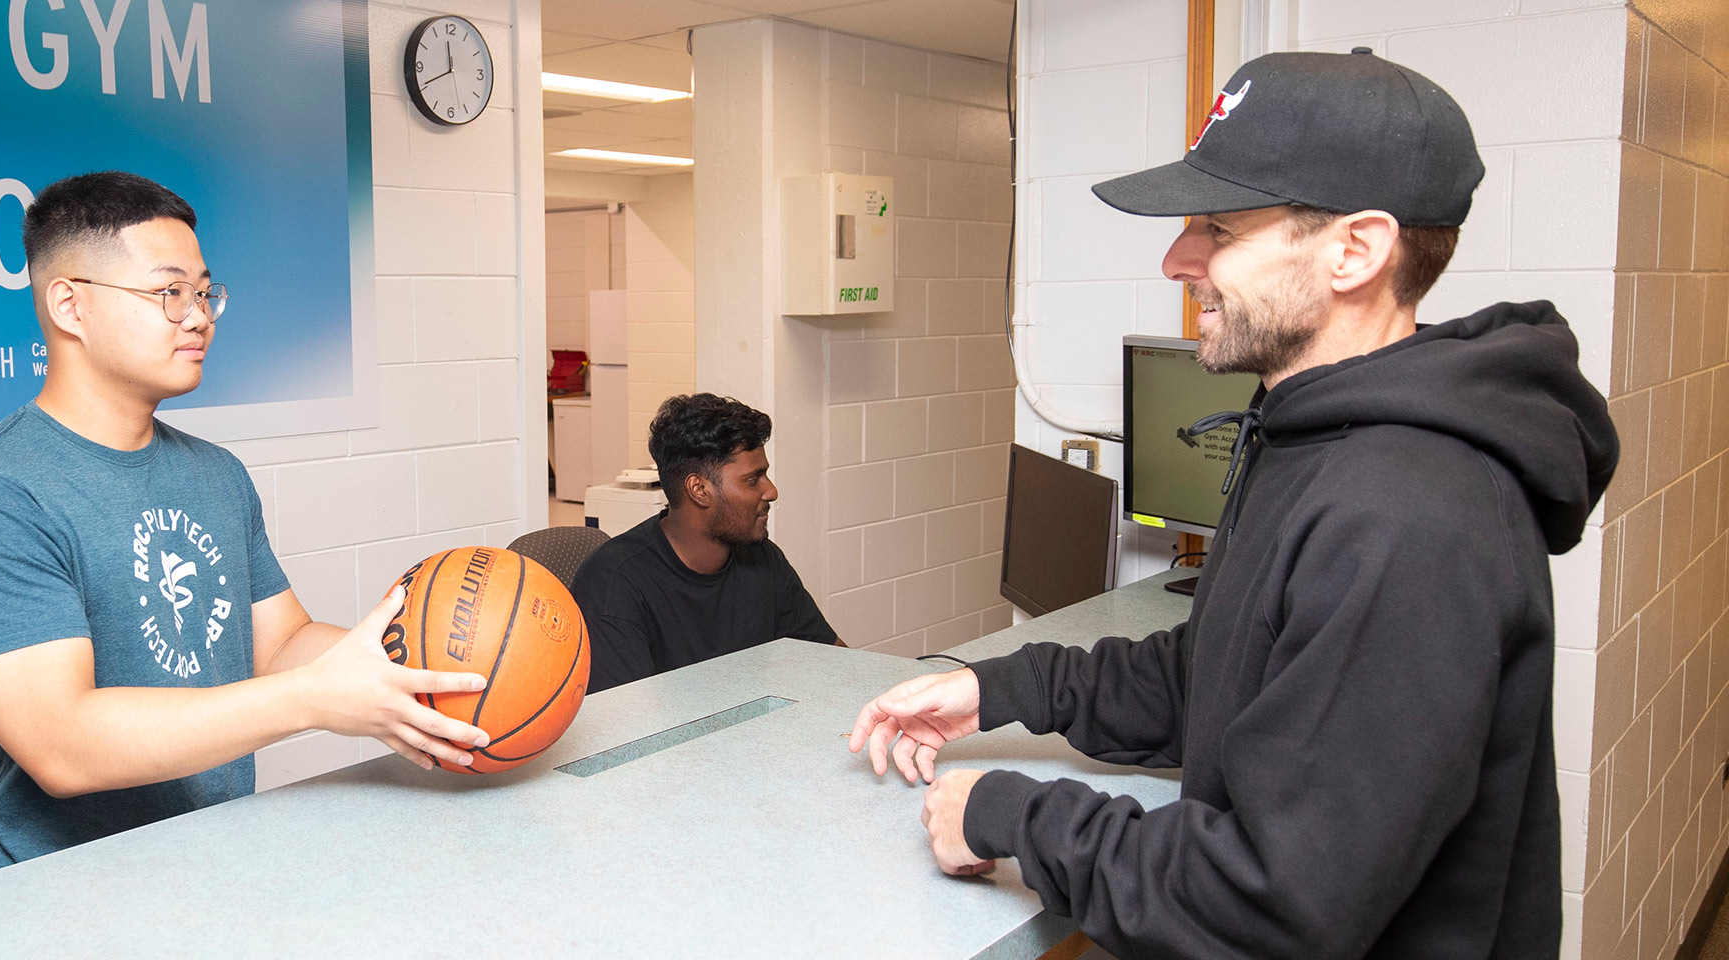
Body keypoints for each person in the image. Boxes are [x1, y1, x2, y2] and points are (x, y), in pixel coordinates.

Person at [847, 50, 1617, 958]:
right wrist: (999, 688)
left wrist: (1008, 814)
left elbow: (1276, 904)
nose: (1178, 259)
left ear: (1356, 251)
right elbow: (1223, 671)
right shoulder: (1311, 431)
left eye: (1218, 227)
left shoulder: (1411, 514)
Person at [0, 172, 489, 875]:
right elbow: (63, 745)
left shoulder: (215, 474)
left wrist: (433, 665)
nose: (198, 316)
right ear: (70, 305)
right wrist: (312, 701)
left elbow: (281, 645)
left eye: (204, 292)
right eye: (168, 292)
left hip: (215, 867)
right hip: (56, 904)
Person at [571, 393, 840, 693]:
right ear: (699, 489)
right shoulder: (614, 584)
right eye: (753, 480)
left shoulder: (762, 558)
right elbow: (628, 727)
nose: (771, 491)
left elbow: (832, 660)